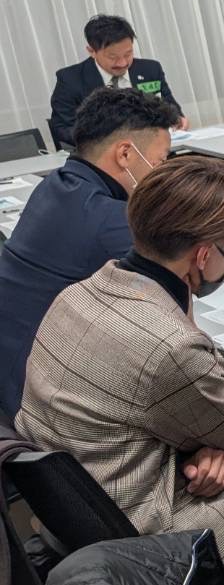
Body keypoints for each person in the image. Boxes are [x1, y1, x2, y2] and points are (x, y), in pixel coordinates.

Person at [16, 156, 224, 585]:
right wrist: (212, 439)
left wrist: (205, 447)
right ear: (203, 256)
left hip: (93, 500)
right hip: (154, 538)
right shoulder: (170, 344)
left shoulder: (78, 293)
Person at [0, 89, 183, 417]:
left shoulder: (54, 185)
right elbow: (181, 279)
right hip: (42, 399)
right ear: (125, 154)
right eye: (160, 161)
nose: (163, 172)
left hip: (12, 366)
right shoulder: (109, 218)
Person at [49, 13, 186, 148]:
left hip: (152, 149)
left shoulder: (150, 70)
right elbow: (63, 128)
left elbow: (171, 108)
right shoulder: (70, 80)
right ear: (92, 51)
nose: (122, 63)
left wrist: (178, 120)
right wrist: (105, 142)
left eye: (128, 54)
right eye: (112, 57)